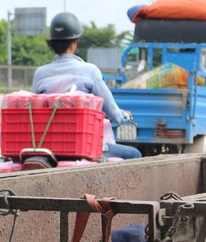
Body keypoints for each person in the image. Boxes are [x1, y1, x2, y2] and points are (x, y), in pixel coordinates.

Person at [32, 12, 142, 160]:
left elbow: (34, 110)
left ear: (52, 43)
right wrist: (124, 116)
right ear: (75, 41)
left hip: (48, 145)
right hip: (82, 146)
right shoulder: (89, 71)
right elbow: (113, 112)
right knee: (135, 154)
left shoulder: (40, 74)